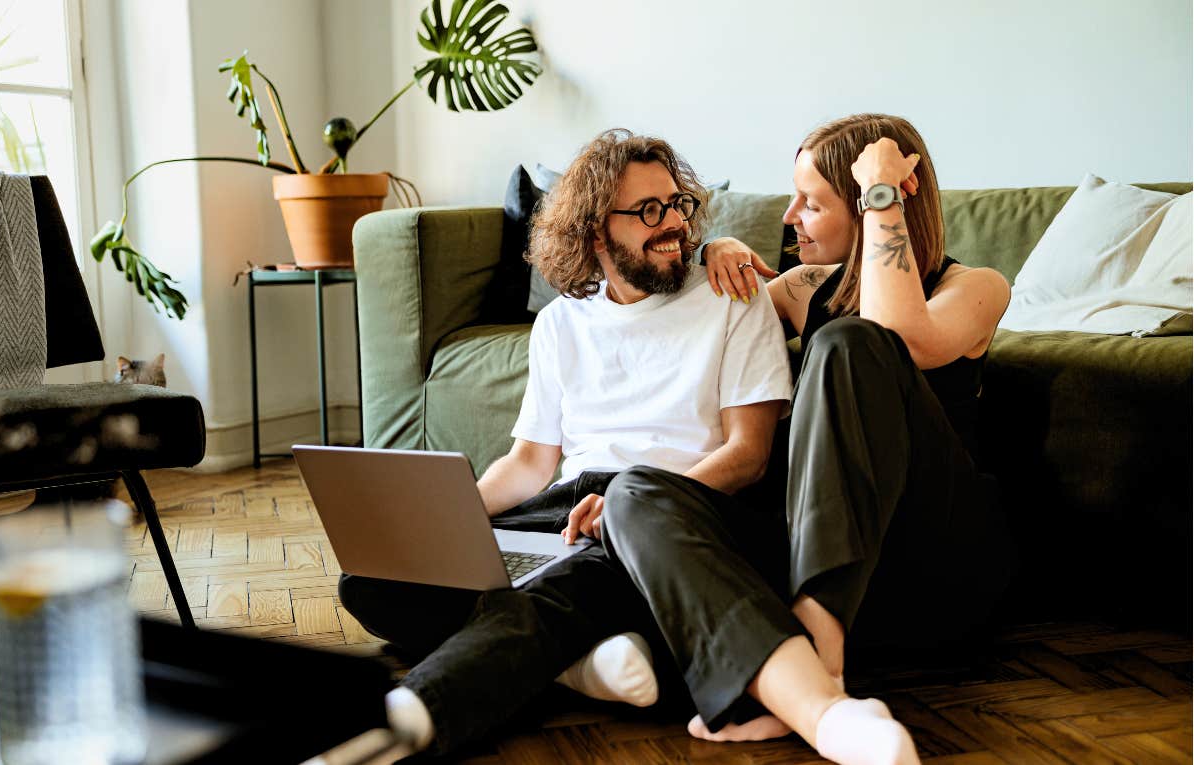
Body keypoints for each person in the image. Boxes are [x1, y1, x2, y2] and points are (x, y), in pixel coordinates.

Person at [336, 128, 801, 756]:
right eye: (646, 211)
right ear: (592, 232)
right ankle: (585, 664)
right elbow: (530, 463)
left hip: (664, 513)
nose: (672, 226)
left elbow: (749, 454)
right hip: (561, 508)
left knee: (556, 591)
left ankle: (398, 724)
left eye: (677, 205)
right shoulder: (559, 323)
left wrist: (633, 506)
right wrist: (446, 520)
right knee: (376, 582)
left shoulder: (731, 298)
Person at [594, 113, 1016, 764]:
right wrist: (721, 247)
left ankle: (815, 652)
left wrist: (881, 190)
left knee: (852, 343)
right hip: (830, 568)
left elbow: (897, 334)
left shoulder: (977, 288)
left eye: (812, 202)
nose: (790, 216)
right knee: (635, 495)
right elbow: (710, 309)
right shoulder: (798, 288)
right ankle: (795, 685)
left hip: (933, 566)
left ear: (872, 206)